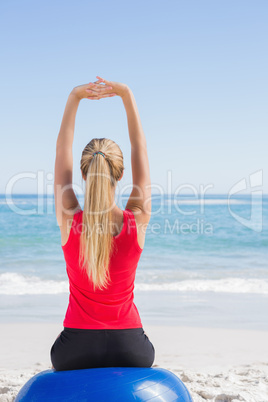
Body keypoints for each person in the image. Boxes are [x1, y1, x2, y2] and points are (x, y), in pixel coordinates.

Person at [50, 76, 155, 371]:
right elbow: (140, 148)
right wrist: (126, 95)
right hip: (131, 348)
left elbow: (62, 151)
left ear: (83, 175)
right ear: (120, 175)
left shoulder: (68, 217)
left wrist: (74, 97)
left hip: (75, 349)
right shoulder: (138, 219)